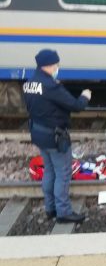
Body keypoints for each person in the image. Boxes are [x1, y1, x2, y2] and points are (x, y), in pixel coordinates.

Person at [23, 49, 91, 223]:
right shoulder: (51, 86)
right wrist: (85, 96)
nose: (57, 67)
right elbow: (75, 106)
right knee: (63, 173)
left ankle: (50, 208)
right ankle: (63, 212)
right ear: (51, 65)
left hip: (39, 134)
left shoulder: (30, 83)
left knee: (50, 171)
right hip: (55, 137)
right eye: (56, 64)